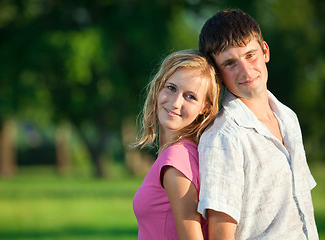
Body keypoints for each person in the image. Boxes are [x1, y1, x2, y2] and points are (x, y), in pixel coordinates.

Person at [197, 9, 319, 239]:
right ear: (217, 73)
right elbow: (221, 234)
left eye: (250, 55)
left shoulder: (288, 118)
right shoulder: (223, 137)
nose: (245, 70)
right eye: (230, 63)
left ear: (265, 51)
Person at [132, 49, 220, 240]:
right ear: (158, 87)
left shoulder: (176, 159)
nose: (175, 103)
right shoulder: (184, 153)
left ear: (204, 108)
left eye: (190, 96)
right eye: (171, 88)